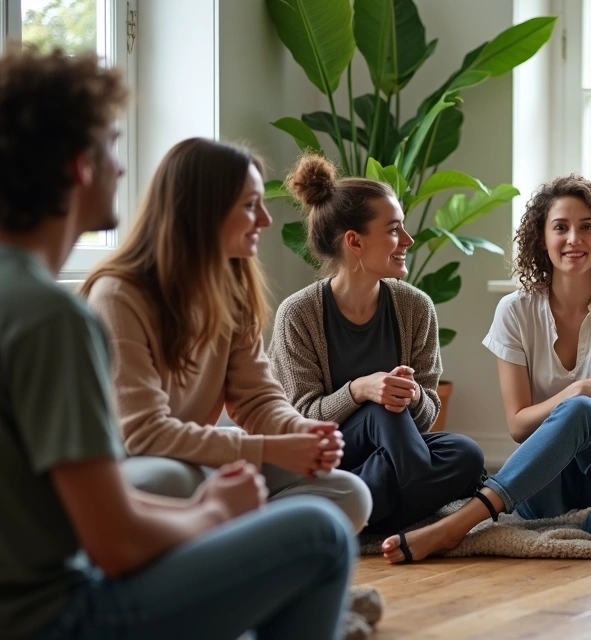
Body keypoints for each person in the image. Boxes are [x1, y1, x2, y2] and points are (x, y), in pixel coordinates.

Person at [0, 47, 353, 640]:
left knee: (330, 500)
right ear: (78, 165)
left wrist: (258, 462)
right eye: (112, 144)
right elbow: (113, 541)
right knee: (320, 532)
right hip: (53, 617)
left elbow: (79, 517)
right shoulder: (53, 315)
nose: (121, 166)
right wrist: (214, 512)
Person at [80, 139, 380, 636]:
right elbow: (142, 435)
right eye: (249, 205)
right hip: (138, 470)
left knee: (349, 493)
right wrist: (268, 448)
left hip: (201, 459)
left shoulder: (233, 288)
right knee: (174, 480)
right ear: (201, 210)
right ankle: (247, 584)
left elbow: (259, 398)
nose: (264, 219)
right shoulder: (120, 294)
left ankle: (246, 580)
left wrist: (302, 435)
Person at [379, 174, 591, 563]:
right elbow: (517, 425)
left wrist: (580, 400)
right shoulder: (514, 310)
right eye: (560, 227)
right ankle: (490, 526)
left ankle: (543, 529)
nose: (573, 240)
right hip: (548, 479)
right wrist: (578, 390)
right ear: (541, 237)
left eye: (587, 228)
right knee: (579, 406)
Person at [269, 154, 485, 537]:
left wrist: (414, 393)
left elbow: (427, 413)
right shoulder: (298, 314)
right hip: (328, 456)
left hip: (389, 457)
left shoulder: (414, 306)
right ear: (354, 241)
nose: (408, 240)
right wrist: (360, 390)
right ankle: (410, 509)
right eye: (393, 230)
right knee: (382, 410)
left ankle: (352, 510)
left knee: (466, 453)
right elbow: (300, 419)